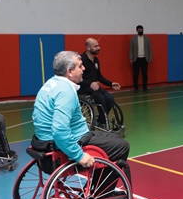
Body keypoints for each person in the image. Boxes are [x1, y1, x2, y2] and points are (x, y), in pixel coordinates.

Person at [32, 51, 132, 184]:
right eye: (80, 66)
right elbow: (59, 130)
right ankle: (102, 193)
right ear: (70, 71)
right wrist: (79, 156)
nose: (83, 68)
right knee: (122, 146)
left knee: (113, 137)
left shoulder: (50, 84)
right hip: (63, 144)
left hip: (44, 141)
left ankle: (97, 187)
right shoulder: (65, 92)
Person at [79, 38, 121, 124]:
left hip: (95, 88)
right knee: (100, 98)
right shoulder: (81, 60)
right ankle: (104, 121)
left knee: (110, 99)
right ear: (88, 48)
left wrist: (110, 84)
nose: (99, 48)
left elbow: (99, 76)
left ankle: (101, 120)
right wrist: (90, 83)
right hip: (84, 88)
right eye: (96, 46)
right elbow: (78, 78)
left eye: (98, 45)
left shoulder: (96, 60)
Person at [130, 25, 152, 93]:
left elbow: (149, 49)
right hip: (136, 59)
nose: (140, 31)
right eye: (139, 30)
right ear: (137, 30)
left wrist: (150, 58)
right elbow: (131, 50)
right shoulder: (133, 39)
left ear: (143, 30)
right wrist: (131, 58)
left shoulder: (147, 39)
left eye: (141, 30)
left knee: (144, 74)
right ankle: (136, 88)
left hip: (145, 59)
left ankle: (145, 87)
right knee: (135, 74)